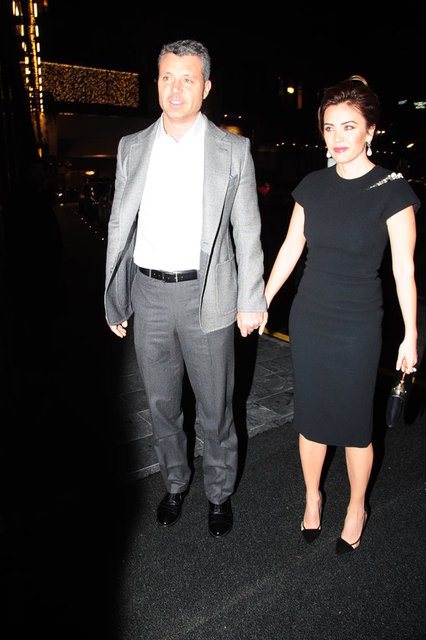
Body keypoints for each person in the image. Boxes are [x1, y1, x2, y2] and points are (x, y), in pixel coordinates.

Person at [104, 40, 267, 538]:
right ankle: (175, 482)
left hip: (208, 295)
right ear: (157, 83)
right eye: (167, 77)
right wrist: (116, 296)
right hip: (149, 293)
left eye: (187, 79)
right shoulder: (132, 147)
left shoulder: (232, 150)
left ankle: (218, 493)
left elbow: (247, 230)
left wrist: (251, 298)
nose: (176, 88)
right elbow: (120, 226)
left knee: (216, 407)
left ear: (206, 87)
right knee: (161, 404)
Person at [264, 76, 419, 554]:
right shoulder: (312, 186)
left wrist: (411, 334)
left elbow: (404, 269)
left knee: (354, 424)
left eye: (349, 126)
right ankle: (312, 496)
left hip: (358, 325)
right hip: (311, 318)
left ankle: (356, 506)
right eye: (329, 127)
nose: (337, 136)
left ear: (370, 130)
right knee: (310, 418)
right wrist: (263, 298)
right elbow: (291, 248)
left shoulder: (392, 190)